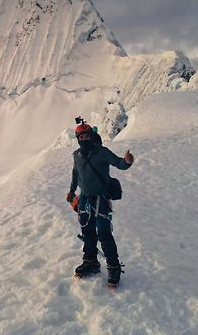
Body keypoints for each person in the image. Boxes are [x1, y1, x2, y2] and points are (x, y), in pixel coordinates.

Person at [66, 121, 134, 286]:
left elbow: (119, 163)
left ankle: (114, 267)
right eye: (81, 137)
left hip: (101, 200)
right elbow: (76, 175)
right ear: (78, 139)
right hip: (84, 200)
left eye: (86, 136)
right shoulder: (77, 156)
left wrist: (127, 162)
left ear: (91, 136)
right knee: (88, 232)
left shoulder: (102, 153)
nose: (84, 139)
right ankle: (91, 262)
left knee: (104, 233)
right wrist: (71, 191)